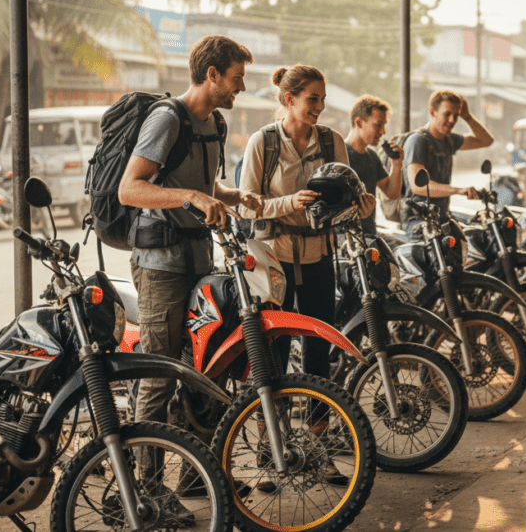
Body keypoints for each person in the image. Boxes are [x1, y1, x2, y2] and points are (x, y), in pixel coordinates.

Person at [238, 64, 375, 487]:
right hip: (272, 262)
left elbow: (343, 201)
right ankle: (270, 455)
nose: (319, 106)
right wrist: (289, 204)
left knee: (318, 355)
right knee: (273, 359)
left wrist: (360, 206)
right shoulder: (262, 142)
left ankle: (319, 454)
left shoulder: (334, 142)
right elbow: (246, 206)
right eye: (312, 99)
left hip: (319, 257)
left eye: (322, 98)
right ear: (288, 99)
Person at [117, 35, 264, 428]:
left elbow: (203, 187)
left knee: (203, 371)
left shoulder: (215, 122)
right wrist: (192, 198)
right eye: (237, 77)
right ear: (211, 74)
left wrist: (237, 196)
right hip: (161, 267)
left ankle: (197, 477)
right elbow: (130, 188)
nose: (242, 86)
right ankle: (145, 485)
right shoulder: (167, 118)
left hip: (200, 262)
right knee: (161, 375)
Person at [401, 90, 494, 240]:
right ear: (433, 112)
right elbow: (418, 186)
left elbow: (486, 140)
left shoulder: (449, 140)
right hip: (418, 220)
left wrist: (468, 117)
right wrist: (458, 190)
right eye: (447, 114)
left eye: (456, 115)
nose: (452, 120)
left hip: (442, 217)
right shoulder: (417, 141)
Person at [345, 95, 402, 236]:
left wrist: (397, 164)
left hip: (370, 234)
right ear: (359, 122)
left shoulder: (372, 155)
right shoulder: (340, 155)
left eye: (384, 125)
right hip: (346, 239)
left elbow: (392, 194)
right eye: (378, 125)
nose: (383, 132)